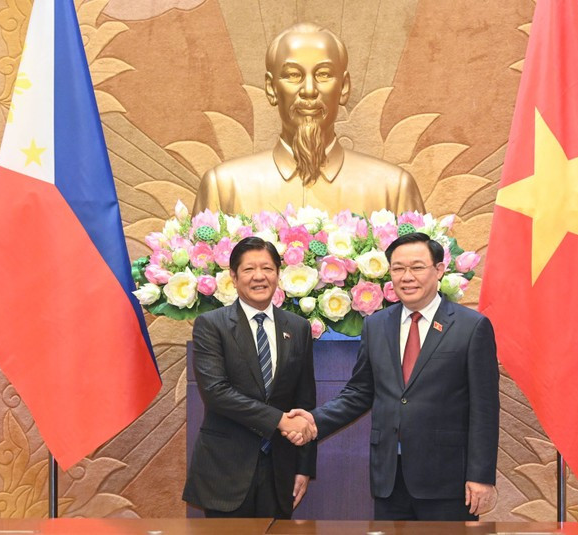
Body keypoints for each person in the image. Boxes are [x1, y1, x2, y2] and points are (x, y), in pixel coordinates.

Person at [287, 232, 499, 521]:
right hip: (389, 476)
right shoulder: (376, 325)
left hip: (447, 479)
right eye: (398, 268)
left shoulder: (471, 327)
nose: (406, 276)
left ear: (438, 270)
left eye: (417, 267)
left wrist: (481, 476)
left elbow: (484, 409)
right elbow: (360, 392)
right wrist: (314, 420)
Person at [192, 23, 425, 216]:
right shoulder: (224, 187)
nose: (309, 90)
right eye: (293, 75)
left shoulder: (393, 189)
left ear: (343, 87)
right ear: (271, 89)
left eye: (323, 75)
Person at [182, 237, 317, 518]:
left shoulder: (299, 327)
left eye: (267, 268)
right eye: (249, 269)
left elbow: (305, 401)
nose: (259, 276)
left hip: (280, 469)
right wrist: (279, 420)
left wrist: (304, 467)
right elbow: (216, 393)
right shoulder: (211, 325)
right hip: (225, 469)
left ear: (278, 275)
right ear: (233, 276)